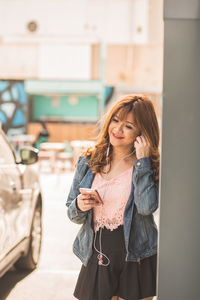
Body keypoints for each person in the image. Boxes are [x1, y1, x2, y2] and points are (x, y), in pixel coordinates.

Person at [66, 94, 160, 300]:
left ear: (141, 132)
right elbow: (72, 213)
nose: (117, 130)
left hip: (136, 255)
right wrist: (80, 205)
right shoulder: (88, 161)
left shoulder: (148, 166)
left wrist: (143, 162)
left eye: (128, 126)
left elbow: (146, 208)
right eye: (115, 121)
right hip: (97, 254)